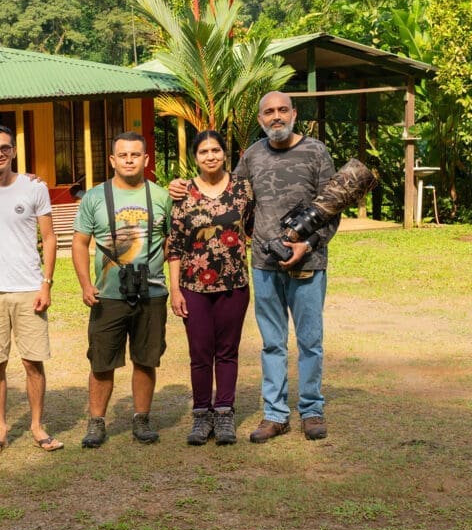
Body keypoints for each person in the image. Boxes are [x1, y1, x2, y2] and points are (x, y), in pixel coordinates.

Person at [170, 91, 336, 442]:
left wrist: (308, 244)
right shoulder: (253, 156)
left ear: (294, 113)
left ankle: (311, 410)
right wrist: (182, 186)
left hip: (309, 262)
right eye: (268, 112)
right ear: (260, 119)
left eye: (282, 110)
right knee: (272, 342)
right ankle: (275, 414)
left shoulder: (317, 152)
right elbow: (224, 189)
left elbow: (332, 207)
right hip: (264, 264)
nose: (276, 117)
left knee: (310, 340)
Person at [0, 125, 63, 455]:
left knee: (33, 362)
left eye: (5, 147)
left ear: (14, 151)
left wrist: (45, 284)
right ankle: (0, 428)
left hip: (29, 288)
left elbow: (49, 238)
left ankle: (36, 425)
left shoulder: (34, 187)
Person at [72, 131, 172, 447]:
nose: (129, 160)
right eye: (123, 155)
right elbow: (79, 242)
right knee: (102, 361)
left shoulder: (161, 196)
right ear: (113, 160)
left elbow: (171, 244)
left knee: (146, 359)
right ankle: (96, 422)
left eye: (135, 154)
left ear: (146, 159)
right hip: (107, 295)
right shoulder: (94, 197)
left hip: (152, 293)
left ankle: (141, 420)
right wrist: (86, 284)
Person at [166, 130, 254, 446]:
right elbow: (174, 244)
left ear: (224, 153)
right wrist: (175, 290)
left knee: (227, 352)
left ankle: (225, 412)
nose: (210, 156)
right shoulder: (182, 193)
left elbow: (255, 228)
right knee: (200, 353)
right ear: (195, 157)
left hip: (234, 284)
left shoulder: (243, 189)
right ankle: (202, 415)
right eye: (203, 152)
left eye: (215, 150)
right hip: (193, 287)